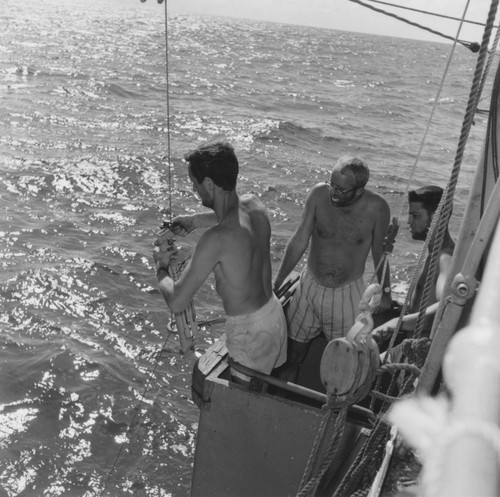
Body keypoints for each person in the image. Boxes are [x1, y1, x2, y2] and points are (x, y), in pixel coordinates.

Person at [153, 139, 287, 384]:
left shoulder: (215, 240)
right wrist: (193, 221)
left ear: (209, 184)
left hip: (250, 335)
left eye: (194, 184)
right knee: (264, 390)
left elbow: (177, 301)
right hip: (274, 316)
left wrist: (161, 268)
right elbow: (231, 215)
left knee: (241, 404)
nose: (194, 190)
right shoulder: (255, 204)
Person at [273, 155, 393, 382]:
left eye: (342, 190)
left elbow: (380, 253)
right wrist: (277, 282)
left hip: (346, 295)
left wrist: (386, 293)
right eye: (332, 185)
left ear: (359, 190)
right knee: (290, 356)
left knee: (347, 367)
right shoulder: (319, 194)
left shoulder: (377, 208)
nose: (334, 193)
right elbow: (299, 240)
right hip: (308, 289)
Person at [372, 185, 455, 344]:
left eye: (415, 215)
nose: (409, 221)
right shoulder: (432, 253)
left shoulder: (445, 258)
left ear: (437, 218)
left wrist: (395, 323)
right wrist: (395, 302)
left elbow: (446, 307)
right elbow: (423, 304)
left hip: (418, 350)